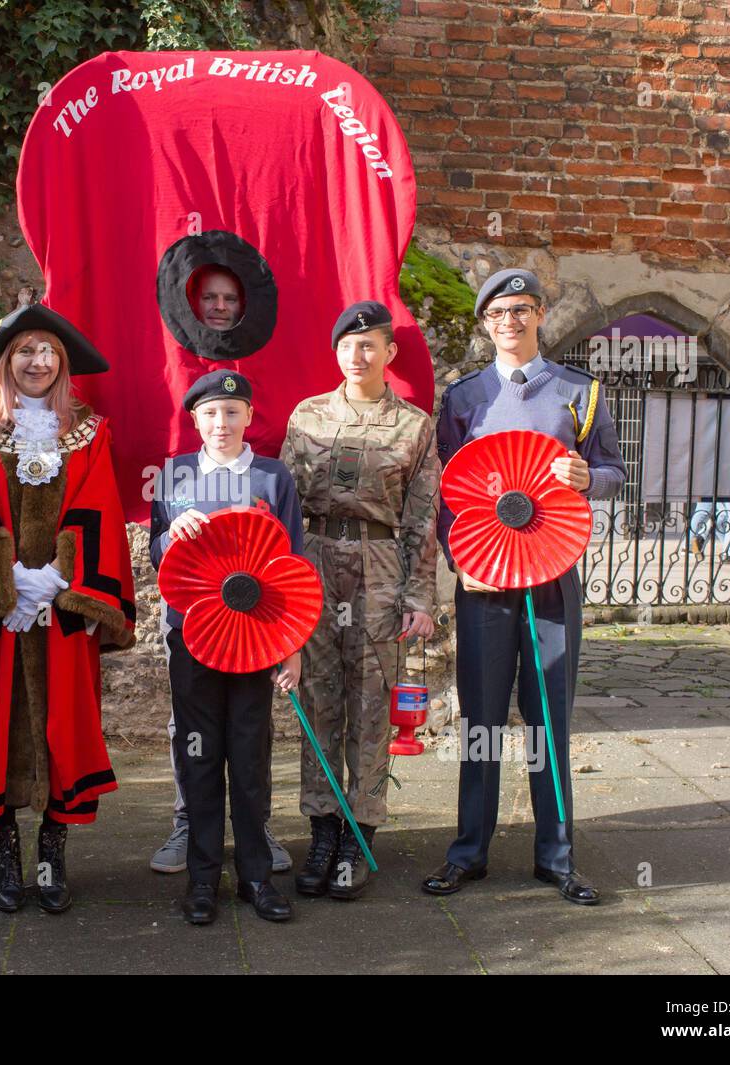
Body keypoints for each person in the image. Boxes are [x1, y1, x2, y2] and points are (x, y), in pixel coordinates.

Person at [0, 303, 135, 915]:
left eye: (48, 352)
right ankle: (6, 857)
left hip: (63, 611)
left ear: (61, 364)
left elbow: (99, 511)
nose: (38, 361)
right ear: (5, 363)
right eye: (25, 352)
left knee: (62, 726)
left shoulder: (91, 431)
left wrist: (54, 583)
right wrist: (6, 583)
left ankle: (52, 854)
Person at [422, 268, 627, 906]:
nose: (509, 321)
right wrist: (459, 557)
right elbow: (444, 495)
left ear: (540, 314)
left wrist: (584, 477)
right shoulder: (463, 399)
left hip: (552, 578)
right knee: (480, 717)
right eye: (498, 312)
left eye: (522, 309)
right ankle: (468, 853)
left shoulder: (579, 391)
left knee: (548, 720)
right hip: (484, 579)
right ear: (486, 323)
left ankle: (557, 857)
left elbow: (616, 470)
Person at [279, 301, 440, 901]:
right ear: (336, 352)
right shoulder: (308, 416)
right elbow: (284, 505)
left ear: (389, 354)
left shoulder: (414, 425)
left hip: (378, 566)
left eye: (370, 344)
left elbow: (422, 516)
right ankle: (322, 827)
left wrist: (419, 595)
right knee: (318, 695)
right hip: (314, 561)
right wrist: (281, 586)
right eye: (348, 344)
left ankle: (359, 831)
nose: (359, 354)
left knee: (372, 700)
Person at [151, 264, 292, 877]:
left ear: (248, 417)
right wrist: (169, 536)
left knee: (251, 735)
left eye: (233, 412)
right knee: (194, 734)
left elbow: (292, 561)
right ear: (196, 421)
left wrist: (292, 642)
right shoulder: (174, 475)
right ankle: (191, 831)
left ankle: (256, 836)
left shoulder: (273, 477)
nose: (223, 424)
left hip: (257, 629)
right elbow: (158, 552)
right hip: (191, 626)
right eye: (212, 414)